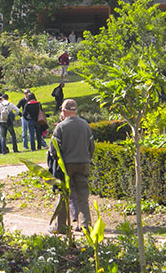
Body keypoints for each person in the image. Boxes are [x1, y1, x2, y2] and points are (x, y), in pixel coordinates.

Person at [49, 99, 95, 234]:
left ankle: (61, 226)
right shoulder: (85, 125)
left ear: (63, 111)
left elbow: (53, 149)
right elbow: (91, 146)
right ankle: (85, 225)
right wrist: (86, 159)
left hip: (67, 165)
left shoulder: (61, 127)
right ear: (75, 110)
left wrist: (58, 161)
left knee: (64, 195)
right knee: (82, 195)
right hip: (83, 163)